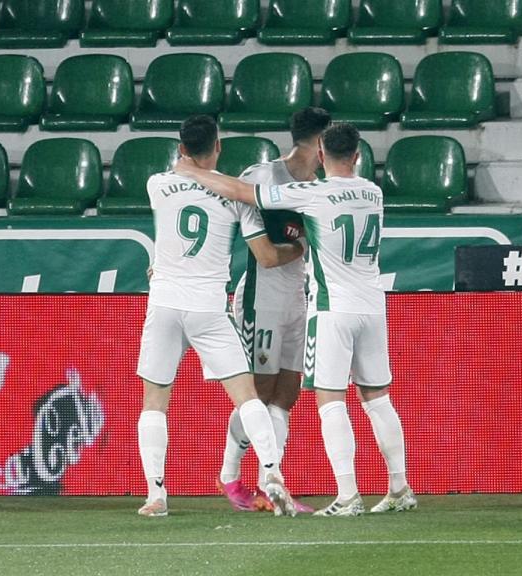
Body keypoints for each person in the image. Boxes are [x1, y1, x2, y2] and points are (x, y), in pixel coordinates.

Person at [175, 123, 415, 517]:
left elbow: (243, 193)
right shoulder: (373, 191)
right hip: (372, 306)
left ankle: (348, 495)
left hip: (331, 307)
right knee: (376, 397)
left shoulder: (314, 193)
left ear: (322, 155)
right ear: (358, 156)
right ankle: (399, 486)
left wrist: (190, 171)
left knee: (329, 400)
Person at [136, 115, 305, 518]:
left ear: (181, 149)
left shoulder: (157, 185)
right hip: (208, 308)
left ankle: (155, 496)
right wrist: (297, 251)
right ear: (218, 147)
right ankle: (272, 473)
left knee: (154, 403)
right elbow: (265, 252)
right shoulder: (237, 198)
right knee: (247, 396)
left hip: (164, 303)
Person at [218, 107, 331, 514]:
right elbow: (260, 251)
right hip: (260, 298)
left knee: (287, 393)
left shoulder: (319, 185)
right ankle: (230, 475)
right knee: (259, 392)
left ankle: (273, 481)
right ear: (319, 143)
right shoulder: (262, 177)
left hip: (297, 298)